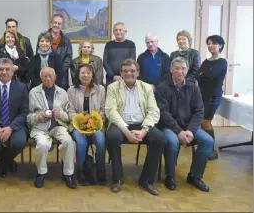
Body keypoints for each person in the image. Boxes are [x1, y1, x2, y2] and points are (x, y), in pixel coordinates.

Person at [105, 59, 166, 196]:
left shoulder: (146, 87)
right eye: (125, 71)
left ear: (138, 73)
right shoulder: (113, 87)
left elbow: (154, 110)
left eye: (132, 70)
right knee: (112, 137)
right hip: (120, 123)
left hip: (142, 122)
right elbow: (111, 111)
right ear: (121, 73)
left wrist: (144, 130)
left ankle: (146, 180)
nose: (129, 73)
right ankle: (118, 179)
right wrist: (126, 131)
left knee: (159, 139)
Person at [155, 57, 213, 192]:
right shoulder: (161, 88)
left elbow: (199, 112)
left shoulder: (194, 88)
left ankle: (195, 176)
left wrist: (191, 131)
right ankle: (170, 176)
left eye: (183, 68)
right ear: (171, 70)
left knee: (208, 141)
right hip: (168, 126)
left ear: (187, 71)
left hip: (189, 126)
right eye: (176, 68)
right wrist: (178, 131)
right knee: (172, 141)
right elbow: (163, 113)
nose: (179, 71)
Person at [27, 67, 76, 189]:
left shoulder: (62, 92)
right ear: (41, 78)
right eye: (45, 76)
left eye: (50, 76)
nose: (48, 78)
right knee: (43, 145)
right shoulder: (33, 92)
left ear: (55, 78)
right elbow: (28, 116)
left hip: (58, 126)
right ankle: (41, 173)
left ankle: (68, 174)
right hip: (40, 128)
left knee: (69, 142)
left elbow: (68, 116)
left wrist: (59, 114)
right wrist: (39, 117)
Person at [0, 58, 29, 177]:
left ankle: (3, 160)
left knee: (19, 142)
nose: (4, 72)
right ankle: (7, 159)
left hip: (15, 126)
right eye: (1, 69)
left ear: (13, 72)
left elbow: (24, 112)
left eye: (8, 69)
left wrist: (11, 128)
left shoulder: (21, 87)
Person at [67, 64, 106, 186]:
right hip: (77, 126)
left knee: (100, 140)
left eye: (88, 73)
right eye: (83, 73)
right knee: (81, 142)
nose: (85, 75)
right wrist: (82, 126)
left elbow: (103, 111)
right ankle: (81, 171)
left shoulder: (101, 89)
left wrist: (93, 126)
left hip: (96, 125)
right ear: (77, 75)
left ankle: (100, 170)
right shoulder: (71, 90)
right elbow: (70, 112)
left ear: (92, 75)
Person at [195, 35, 228, 160]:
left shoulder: (222, 61)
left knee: (206, 121)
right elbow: (198, 75)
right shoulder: (207, 61)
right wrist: (204, 75)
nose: (210, 46)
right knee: (201, 120)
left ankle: (211, 150)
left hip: (213, 96)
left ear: (220, 45)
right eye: (208, 43)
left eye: (213, 43)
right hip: (203, 94)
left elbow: (212, 74)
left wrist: (204, 74)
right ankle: (206, 145)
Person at [40, 14, 73, 90]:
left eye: (59, 23)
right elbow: (39, 56)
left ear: (61, 26)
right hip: (45, 77)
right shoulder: (42, 39)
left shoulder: (66, 41)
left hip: (61, 78)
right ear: (51, 24)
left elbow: (68, 58)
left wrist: (58, 72)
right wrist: (48, 73)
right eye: (55, 22)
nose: (57, 25)